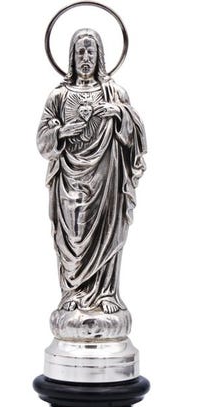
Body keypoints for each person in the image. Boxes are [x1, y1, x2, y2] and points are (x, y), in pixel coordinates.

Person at [37, 28, 146, 315]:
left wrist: (119, 113)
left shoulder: (115, 93)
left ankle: (106, 292)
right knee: (73, 232)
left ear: (100, 56)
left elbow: (136, 138)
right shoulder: (58, 96)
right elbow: (42, 143)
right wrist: (61, 131)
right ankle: (72, 291)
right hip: (69, 180)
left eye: (91, 51)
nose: (85, 57)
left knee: (107, 231)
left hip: (107, 177)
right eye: (80, 51)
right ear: (71, 57)